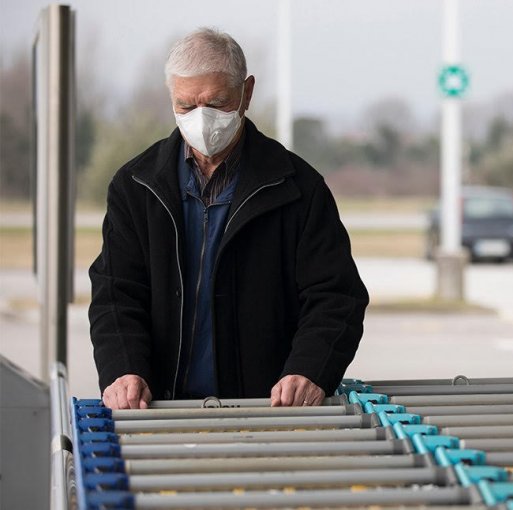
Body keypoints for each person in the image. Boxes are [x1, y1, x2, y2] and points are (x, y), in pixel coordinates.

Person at [89, 28, 368, 410]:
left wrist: (311, 370)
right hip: (158, 410)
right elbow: (115, 294)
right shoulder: (135, 186)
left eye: (216, 103)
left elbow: (336, 297)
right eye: (186, 106)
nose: (201, 120)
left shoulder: (299, 189)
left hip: (268, 412)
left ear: (246, 93)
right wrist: (123, 369)